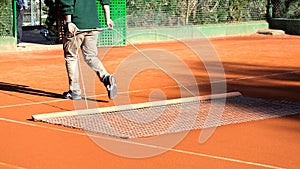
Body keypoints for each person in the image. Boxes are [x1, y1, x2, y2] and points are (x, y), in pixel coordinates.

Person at [60, 0, 118, 100]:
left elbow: (67, 2)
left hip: (76, 25)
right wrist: (108, 19)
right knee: (90, 56)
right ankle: (106, 77)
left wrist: (69, 22)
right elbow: (105, 1)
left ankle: (75, 91)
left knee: (71, 57)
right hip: (93, 25)